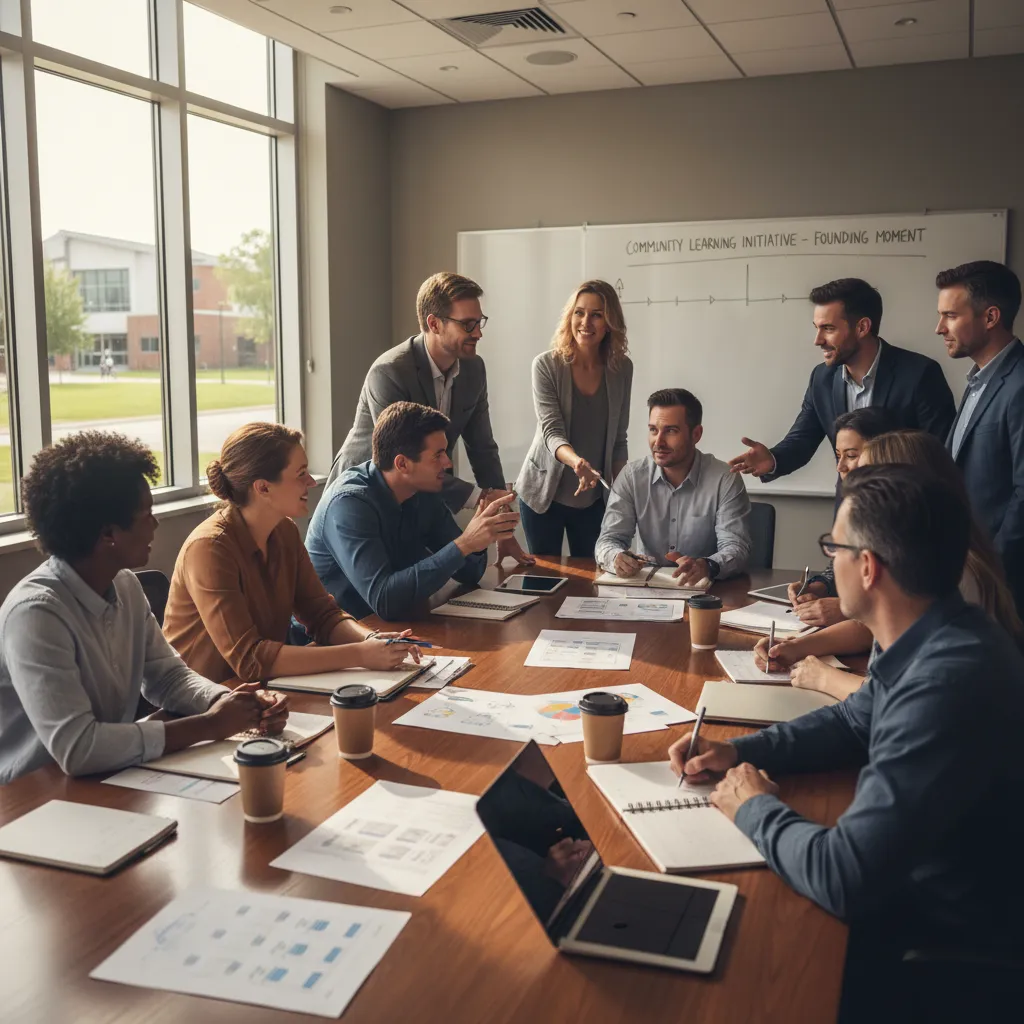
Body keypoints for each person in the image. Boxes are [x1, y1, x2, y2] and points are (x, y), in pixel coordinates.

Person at [673, 464, 1024, 1019]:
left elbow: (845, 877)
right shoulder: (926, 630)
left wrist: (754, 807)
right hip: (916, 894)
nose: (826, 559)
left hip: (942, 948)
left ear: (867, 567)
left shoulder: (947, 682)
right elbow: (853, 721)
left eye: (832, 545)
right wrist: (740, 752)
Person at [0, 432, 288, 785]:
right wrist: (211, 724)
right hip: (33, 801)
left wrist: (234, 703)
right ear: (109, 534)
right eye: (145, 515)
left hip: (110, 779)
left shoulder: (124, 584)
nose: (155, 524)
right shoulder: (36, 615)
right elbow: (79, 748)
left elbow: (167, 677)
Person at [759, 429, 1024, 699]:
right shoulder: (921, 554)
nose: (850, 482)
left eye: (866, 479)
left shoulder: (954, 575)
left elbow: (904, 702)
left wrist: (825, 678)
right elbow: (869, 630)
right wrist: (799, 646)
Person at [163, 423, 417, 684]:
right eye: (301, 473)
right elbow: (250, 660)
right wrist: (360, 655)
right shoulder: (209, 548)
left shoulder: (284, 531)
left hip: (261, 693)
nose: (311, 481)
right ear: (263, 488)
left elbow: (322, 615)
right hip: (199, 707)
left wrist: (372, 641)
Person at [325, 271, 533, 568]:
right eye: (467, 324)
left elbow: (482, 446)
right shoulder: (390, 372)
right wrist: (480, 496)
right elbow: (404, 458)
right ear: (434, 323)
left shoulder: (474, 370)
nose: (478, 333)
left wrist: (500, 518)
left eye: (479, 321)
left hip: (418, 495)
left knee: (438, 583)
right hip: (363, 498)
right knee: (368, 598)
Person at [728, 278, 955, 488]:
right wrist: (773, 459)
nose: (818, 340)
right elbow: (803, 439)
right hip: (848, 509)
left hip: (907, 513)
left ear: (862, 327)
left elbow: (939, 456)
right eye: (817, 328)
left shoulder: (920, 374)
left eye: (828, 329)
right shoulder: (822, 378)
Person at [306, 402, 518, 621]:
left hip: (395, 629)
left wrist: (479, 535)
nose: (447, 463)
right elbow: (385, 600)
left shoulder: (422, 491)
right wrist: (465, 543)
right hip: (332, 640)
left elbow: (469, 572)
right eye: (438, 455)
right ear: (402, 464)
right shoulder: (349, 504)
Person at [515, 280, 633, 557]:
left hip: (593, 501)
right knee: (545, 581)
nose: (586, 322)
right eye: (579, 312)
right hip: (543, 496)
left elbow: (619, 438)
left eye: (596, 314)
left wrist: (623, 493)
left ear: (610, 322)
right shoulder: (546, 365)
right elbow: (551, 432)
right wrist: (577, 463)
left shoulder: (622, 368)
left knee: (590, 582)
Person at [595, 388, 751, 585]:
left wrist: (707, 565)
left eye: (671, 431)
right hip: (646, 589)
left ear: (696, 434)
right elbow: (608, 540)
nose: (658, 442)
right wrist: (616, 558)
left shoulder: (724, 479)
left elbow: (736, 548)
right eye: (653, 430)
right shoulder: (632, 477)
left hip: (706, 592)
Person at [937, 260, 1024, 611]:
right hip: (965, 579)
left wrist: (990, 574)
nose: (939, 328)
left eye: (950, 316)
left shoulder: (1019, 385)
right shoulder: (977, 382)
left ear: (990, 318)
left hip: (1002, 588)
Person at [787, 406, 894, 629]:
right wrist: (818, 586)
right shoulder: (856, 506)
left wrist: (845, 609)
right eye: (838, 456)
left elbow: (899, 609)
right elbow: (840, 563)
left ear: (883, 453)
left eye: (851, 455)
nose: (840, 467)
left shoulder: (903, 514)